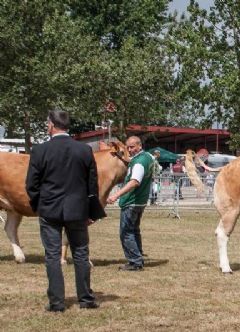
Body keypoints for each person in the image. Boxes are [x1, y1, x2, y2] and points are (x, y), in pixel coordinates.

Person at [26, 109, 99, 312]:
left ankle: (57, 303)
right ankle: (85, 299)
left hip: (49, 209)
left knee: (52, 256)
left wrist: (38, 205)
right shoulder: (84, 151)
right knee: (81, 254)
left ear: (50, 125)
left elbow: (31, 184)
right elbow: (92, 185)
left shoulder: (40, 150)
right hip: (77, 209)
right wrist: (91, 212)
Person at [107, 136, 154, 271]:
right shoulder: (148, 157)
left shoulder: (139, 162)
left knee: (126, 232)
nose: (129, 150)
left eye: (132, 147)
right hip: (141, 201)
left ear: (139, 145)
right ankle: (138, 258)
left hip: (132, 202)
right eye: (127, 147)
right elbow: (131, 161)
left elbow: (134, 181)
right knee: (134, 231)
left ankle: (135, 262)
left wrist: (116, 195)